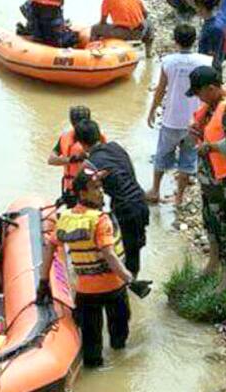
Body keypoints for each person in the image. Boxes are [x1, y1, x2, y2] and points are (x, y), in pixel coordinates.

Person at [37, 168, 151, 367]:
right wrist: (130, 280)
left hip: (85, 293)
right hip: (113, 290)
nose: (101, 192)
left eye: (100, 187)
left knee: (91, 349)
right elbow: (109, 254)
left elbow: (49, 249)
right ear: (82, 193)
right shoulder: (100, 220)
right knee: (119, 340)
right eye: (95, 188)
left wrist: (43, 282)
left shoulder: (64, 219)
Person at [186, 66, 226, 292]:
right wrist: (198, 132)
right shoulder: (212, 106)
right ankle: (213, 263)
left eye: (199, 92)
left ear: (211, 89)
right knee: (211, 222)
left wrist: (209, 146)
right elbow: (211, 131)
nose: (197, 97)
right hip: (210, 180)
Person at [145, 24, 213, 206]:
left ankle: (155, 190)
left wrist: (152, 110)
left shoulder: (168, 62)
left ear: (175, 41)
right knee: (188, 159)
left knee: (162, 155)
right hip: (194, 121)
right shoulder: (205, 61)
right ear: (195, 40)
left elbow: (161, 89)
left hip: (171, 119)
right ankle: (179, 197)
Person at [73, 120, 149, 278]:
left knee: (124, 250)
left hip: (125, 208)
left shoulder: (89, 164)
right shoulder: (116, 146)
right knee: (135, 249)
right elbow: (127, 171)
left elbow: (81, 190)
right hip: (140, 201)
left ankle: (128, 286)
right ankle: (132, 282)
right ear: (99, 135)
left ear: (81, 143)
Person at [48, 106, 106, 207]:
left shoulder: (96, 137)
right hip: (72, 190)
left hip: (90, 190)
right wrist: (71, 159)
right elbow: (51, 160)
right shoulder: (65, 138)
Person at [90, 0, 155, 58]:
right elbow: (145, 14)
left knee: (95, 28)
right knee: (149, 22)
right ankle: (149, 53)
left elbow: (103, 21)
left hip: (124, 33)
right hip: (140, 32)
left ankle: (93, 53)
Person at [164, 0, 225, 73]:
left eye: (196, 4)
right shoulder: (218, 14)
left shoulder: (213, 29)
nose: (194, 7)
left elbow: (211, 56)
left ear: (200, 7)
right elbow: (193, 2)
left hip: (209, 72)